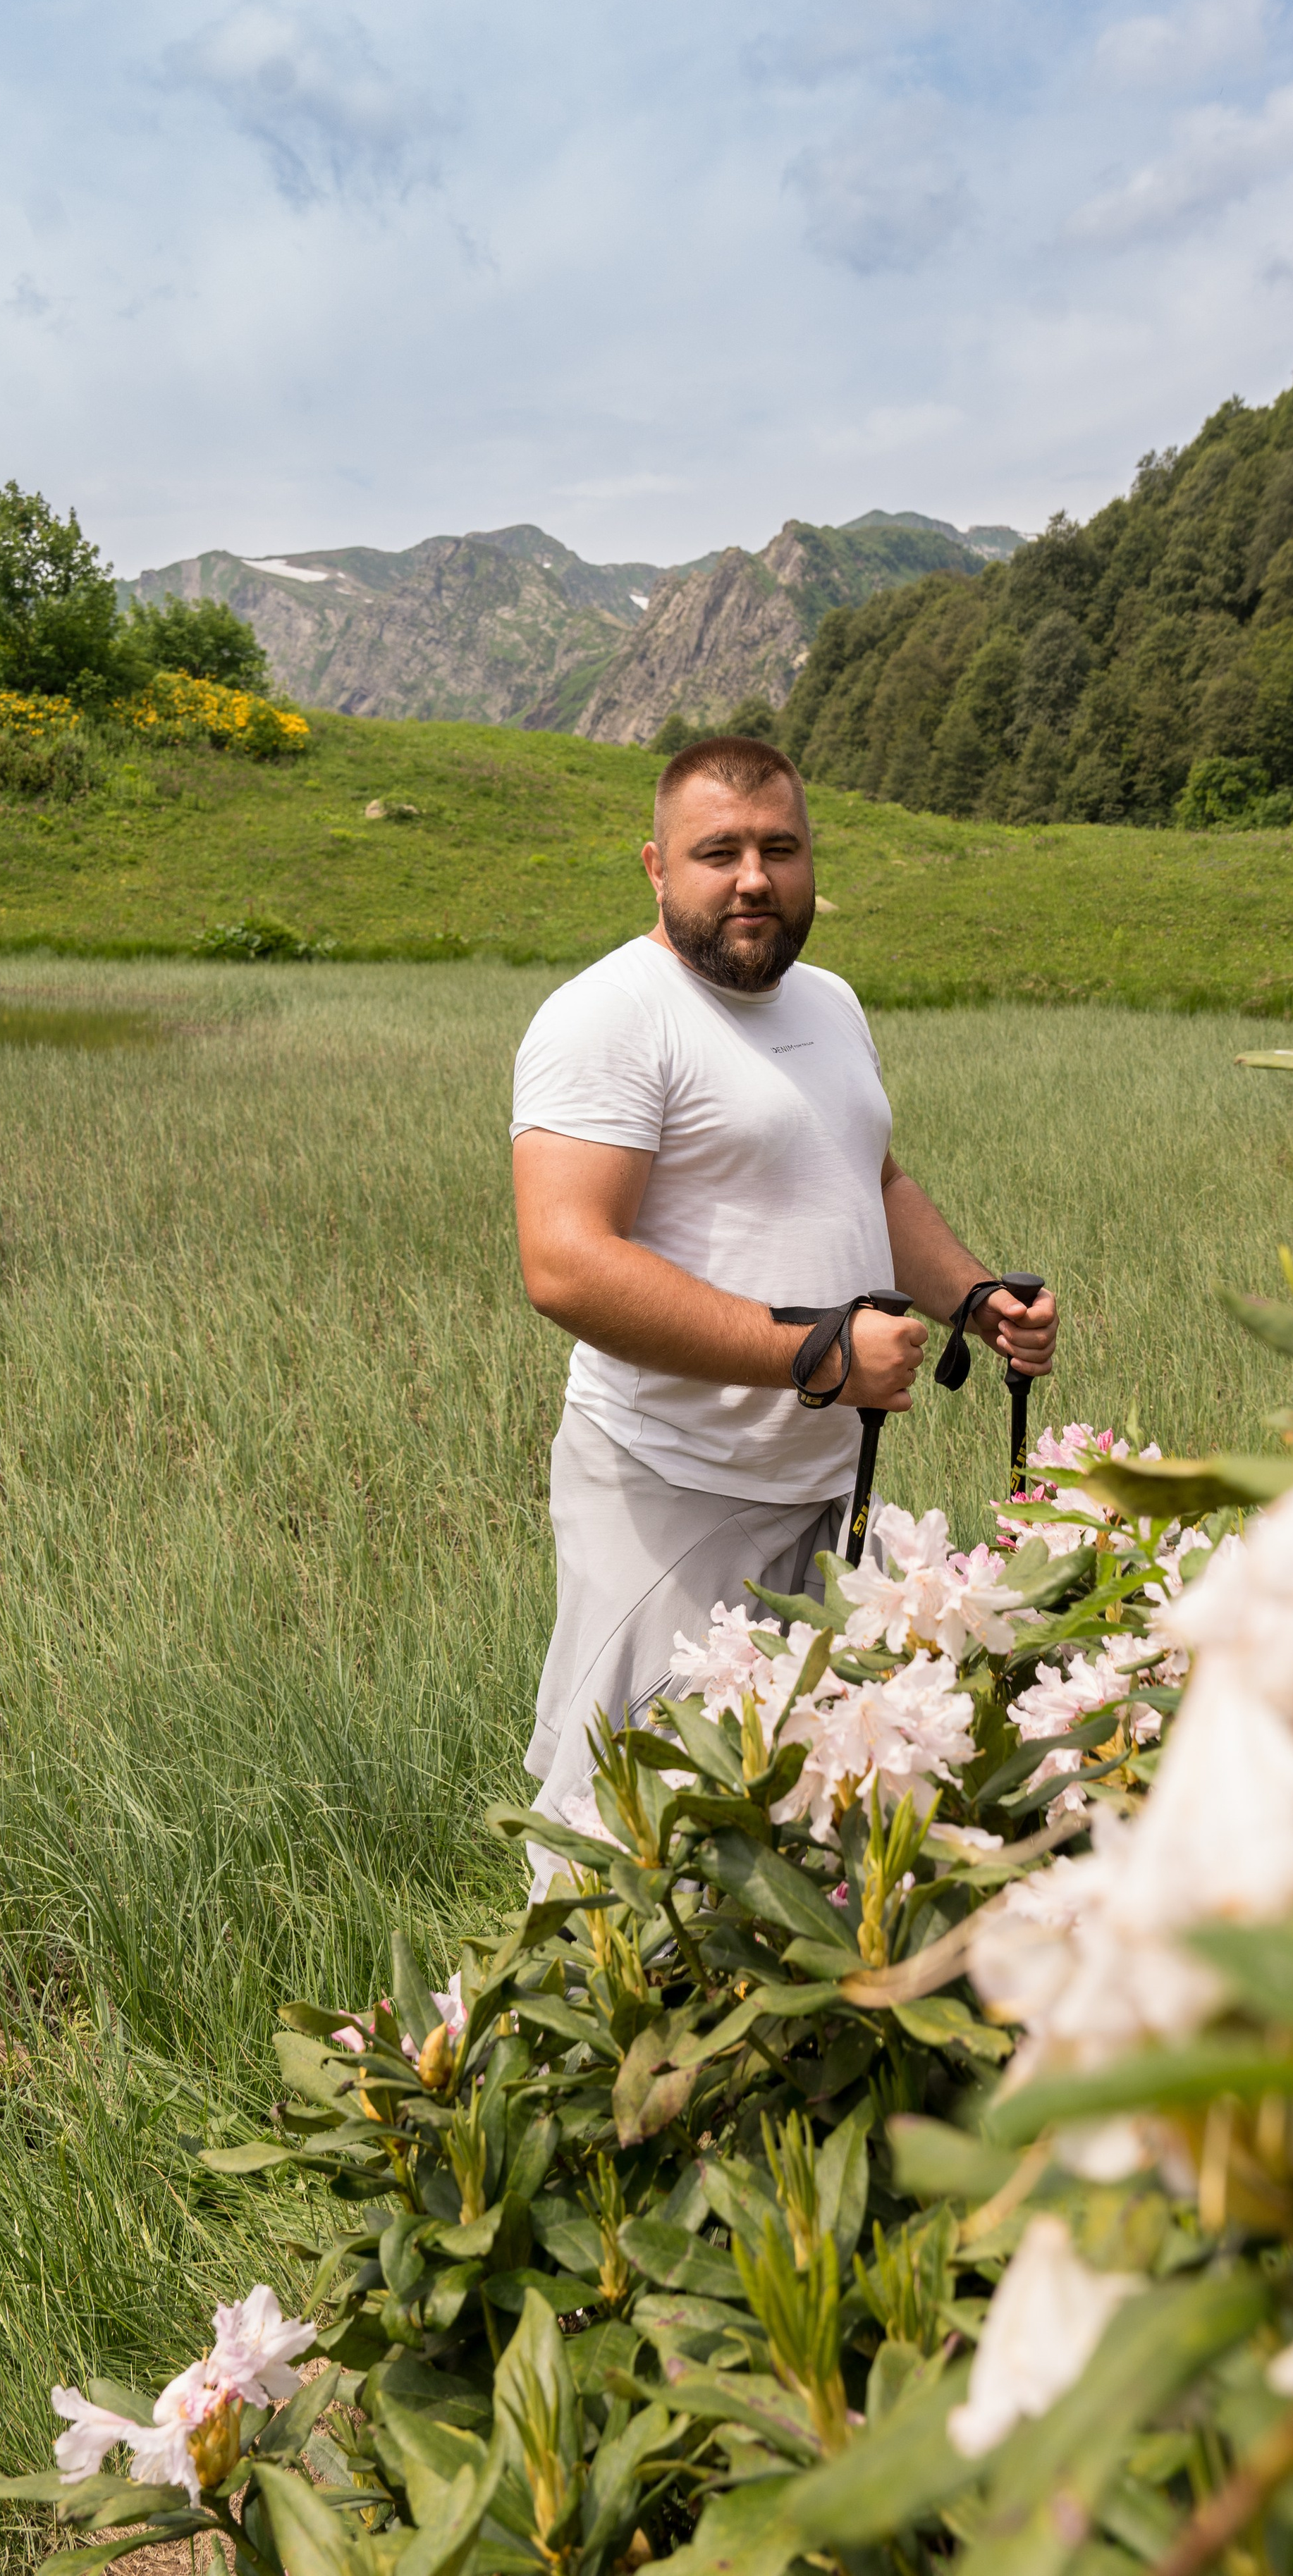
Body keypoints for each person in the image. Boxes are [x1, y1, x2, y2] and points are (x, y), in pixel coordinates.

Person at [509, 733, 1058, 1837]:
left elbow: (872, 1178)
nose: (755, 877)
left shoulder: (832, 1003)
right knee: (628, 1830)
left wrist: (972, 1299)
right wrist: (816, 1355)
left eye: (780, 848)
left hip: (825, 1489)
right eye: (719, 851)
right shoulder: (607, 1016)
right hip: (673, 1489)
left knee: (803, 1813)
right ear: (658, 869)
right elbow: (565, 1264)